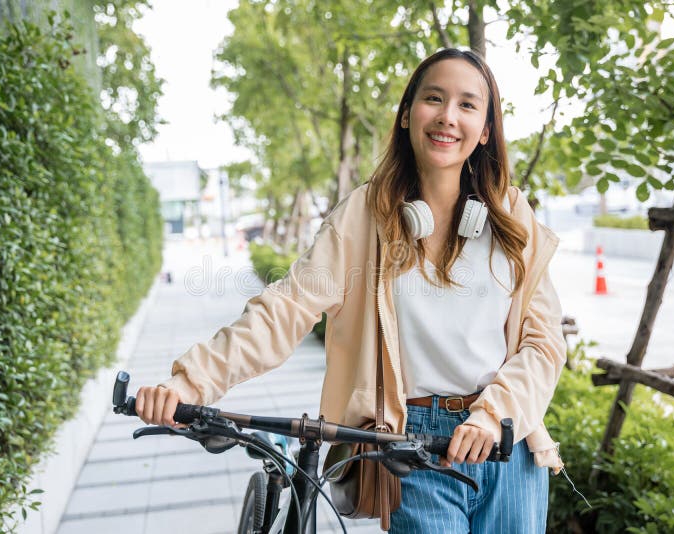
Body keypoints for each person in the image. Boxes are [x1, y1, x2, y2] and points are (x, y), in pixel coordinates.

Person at [136, 48, 566, 533]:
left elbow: (544, 341)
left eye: (468, 105)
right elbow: (285, 308)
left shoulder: (510, 215)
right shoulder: (366, 215)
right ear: (407, 114)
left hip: (507, 440)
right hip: (411, 449)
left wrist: (494, 414)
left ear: (486, 129)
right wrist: (188, 383)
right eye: (434, 98)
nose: (448, 116)